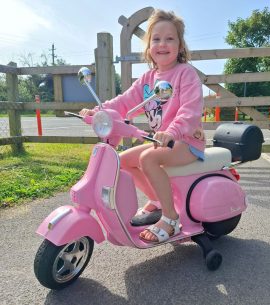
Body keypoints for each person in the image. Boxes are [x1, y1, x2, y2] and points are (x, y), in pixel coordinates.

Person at [79, 9, 205, 244]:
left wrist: (173, 131)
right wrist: (98, 110)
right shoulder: (148, 78)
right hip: (161, 141)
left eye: (170, 38)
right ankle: (158, 202)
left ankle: (170, 219)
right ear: (149, 46)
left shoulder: (185, 74)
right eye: (156, 39)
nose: (162, 44)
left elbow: (190, 110)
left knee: (147, 159)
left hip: (186, 141)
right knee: (123, 161)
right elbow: (124, 100)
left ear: (180, 44)